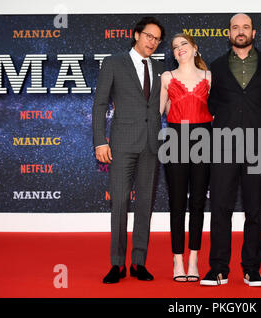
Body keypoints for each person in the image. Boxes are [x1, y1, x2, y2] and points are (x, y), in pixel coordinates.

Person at [199, 13, 261, 287]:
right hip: (223, 144)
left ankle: (252, 269)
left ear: (254, 33)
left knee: (254, 209)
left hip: (257, 145)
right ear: (229, 33)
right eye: (235, 27)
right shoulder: (217, 66)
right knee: (220, 206)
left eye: (245, 27)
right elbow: (210, 104)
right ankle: (218, 268)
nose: (240, 31)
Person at [92, 17, 165, 284]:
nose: (152, 42)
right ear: (136, 35)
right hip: (121, 144)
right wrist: (100, 141)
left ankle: (139, 262)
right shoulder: (113, 62)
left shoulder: (160, 68)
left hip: (151, 145)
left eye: (157, 39)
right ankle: (117, 264)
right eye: (148, 36)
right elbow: (100, 104)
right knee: (120, 202)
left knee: (145, 203)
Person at [159, 33, 212, 282]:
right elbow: (158, 111)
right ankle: (177, 259)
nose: (179, 49)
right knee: (178, 201)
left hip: (204, 138)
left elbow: (217, 110)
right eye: (175, 46)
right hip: (175, 138)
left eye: (184, 44)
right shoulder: (167, 77)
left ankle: (194, 258)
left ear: (195, 48)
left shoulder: (209, 76)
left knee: (199, 202)